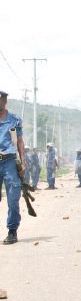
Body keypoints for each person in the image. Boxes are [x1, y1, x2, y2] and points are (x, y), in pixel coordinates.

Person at [0, 90, 26, 245]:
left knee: (13, 197)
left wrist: (23, 162)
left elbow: (20, 142)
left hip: (9, 162)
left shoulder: (14, 120)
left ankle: (12, 231)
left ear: (4, 101)